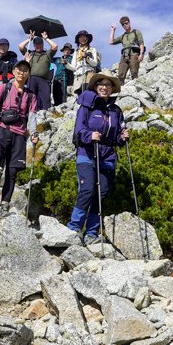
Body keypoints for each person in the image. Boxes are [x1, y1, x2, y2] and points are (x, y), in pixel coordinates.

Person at [65, 72, 130, 244]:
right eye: (101, 83)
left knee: (100, 194)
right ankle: (74, 228)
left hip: (107, 157)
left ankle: (92, 232)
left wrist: (122, 138)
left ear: (112, 89)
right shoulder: (86, 107)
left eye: (108, 85)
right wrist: (89, 135)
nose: (104, 87)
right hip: (87, 154)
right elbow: (79, 130)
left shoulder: (116, 111)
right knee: (87, 190)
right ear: (95, 86)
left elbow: (115, 138)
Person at [0, 61, 39, 217]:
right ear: (14, 71)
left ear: (28, 74)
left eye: (25, 70)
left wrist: (34, 133)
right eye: (19, 69)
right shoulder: (4, 87)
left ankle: (4, 205)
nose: (22, 72)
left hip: (19, 135)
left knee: (12, 171)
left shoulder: (31, 95)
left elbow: (32, 116)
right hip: (1, 130)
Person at [18, 31, 57, 110]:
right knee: (31, 97)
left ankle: (46, 114)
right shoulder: (30, 53)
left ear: (42, 44)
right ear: (34, 45)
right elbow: (21, 46)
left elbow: (54, 46)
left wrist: (46, 38)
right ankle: (29, 113)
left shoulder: (47, 54)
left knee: (46, 98)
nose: (38, 45)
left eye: (40, 44)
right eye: (36, 44)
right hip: (31, 78)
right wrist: (29, 39)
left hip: (44, 80)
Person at [109, 16, 146, 83]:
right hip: (124, 56)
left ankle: (135, 87)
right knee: (120, 74)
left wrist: (141, 54)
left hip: (134, 54)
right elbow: (111, 42)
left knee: (134, 72)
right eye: (123, 24)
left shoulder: (136, 32)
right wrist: (113, 30)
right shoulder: (123, 36)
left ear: (129, 22)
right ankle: (120, 89)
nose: (125, 25)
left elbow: (141, 43)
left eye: (126, 23)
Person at [70, 30, 101, 94]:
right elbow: (73, 67)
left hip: (89, 72)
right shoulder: (76, 51)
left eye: (84, 37)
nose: (82, 39)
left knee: (89, 92)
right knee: (79, 93)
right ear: (78, 39)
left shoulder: (92, 49)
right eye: (80, 37)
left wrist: (86, 57)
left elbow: (95, 63)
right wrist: (65, 64)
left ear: (87, 39)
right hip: (78, 74)